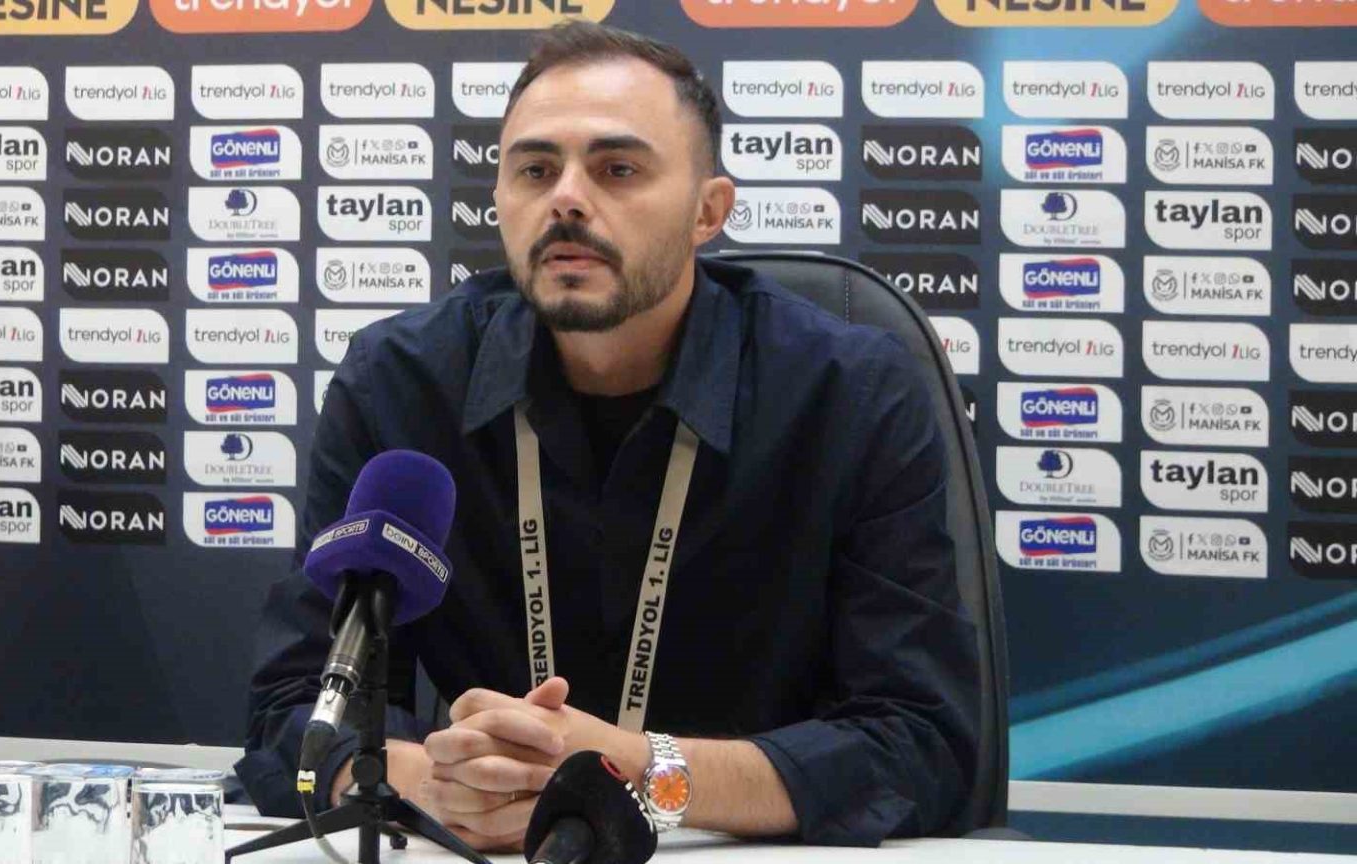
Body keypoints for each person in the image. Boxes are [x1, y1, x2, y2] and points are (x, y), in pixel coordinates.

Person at [236, 21, 978, 851]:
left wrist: (628, 771)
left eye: (618, 169)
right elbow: (294, 711)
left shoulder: (850, 393)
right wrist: (432, 783)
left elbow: (922, 742)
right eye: (535, 170)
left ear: (708, 211)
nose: (567, 198)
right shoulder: (399, 385)